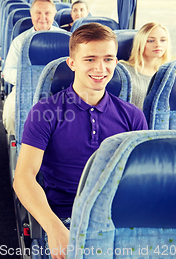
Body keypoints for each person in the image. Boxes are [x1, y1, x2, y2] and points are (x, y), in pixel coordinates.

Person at [13, 23, 147, 259]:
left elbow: (140, 180)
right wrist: (54, 229)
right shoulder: (45, 112)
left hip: (119, 218)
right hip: (65, 217)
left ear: (116, 62)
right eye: (90, 59)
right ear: (72, 63)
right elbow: (23, 177)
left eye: (108, 59)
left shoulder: (133, 116)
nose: (100, 68)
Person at [2, 0, 66, 136]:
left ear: (54, 15)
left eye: (47, 13)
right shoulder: (20, 41)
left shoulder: (67, 39)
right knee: (12, 114)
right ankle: (18, 146)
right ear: (31, 14)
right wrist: (30, 79)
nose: (42, 17)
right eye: (38, 12)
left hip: (61, 91)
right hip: (25, 89)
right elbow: (7, 72)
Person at [120, 22, 171, 109]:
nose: (158, 44)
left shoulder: (169, 73)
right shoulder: (123, 71)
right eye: (150, 40)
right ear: (140, 44)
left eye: (163, 40)